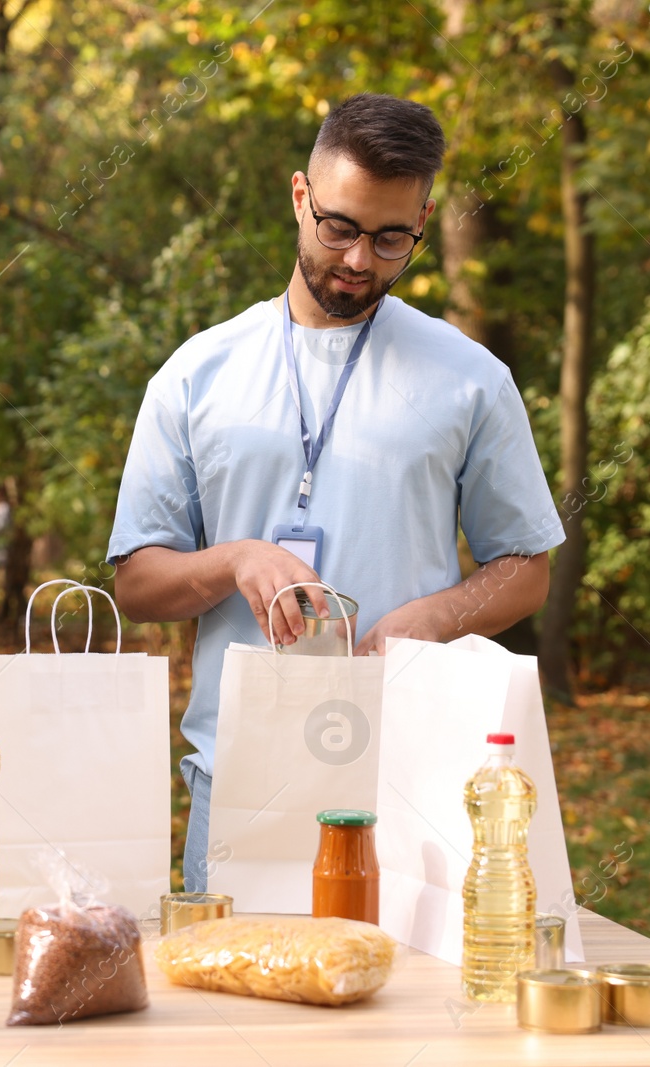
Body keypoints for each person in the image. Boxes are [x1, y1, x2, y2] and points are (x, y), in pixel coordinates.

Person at [106, 94, 564, 892]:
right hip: (239, 780)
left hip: (410, 776)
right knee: (235, 1012)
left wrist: (432, 616)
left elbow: (526, 567)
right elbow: (138, 582)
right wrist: (236, 560)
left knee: (415, 1017)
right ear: (298, 196)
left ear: (423, 217)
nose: (359, 260)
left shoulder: (471, 378)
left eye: (392, 238)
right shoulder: (196, 374)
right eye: (340, 227)